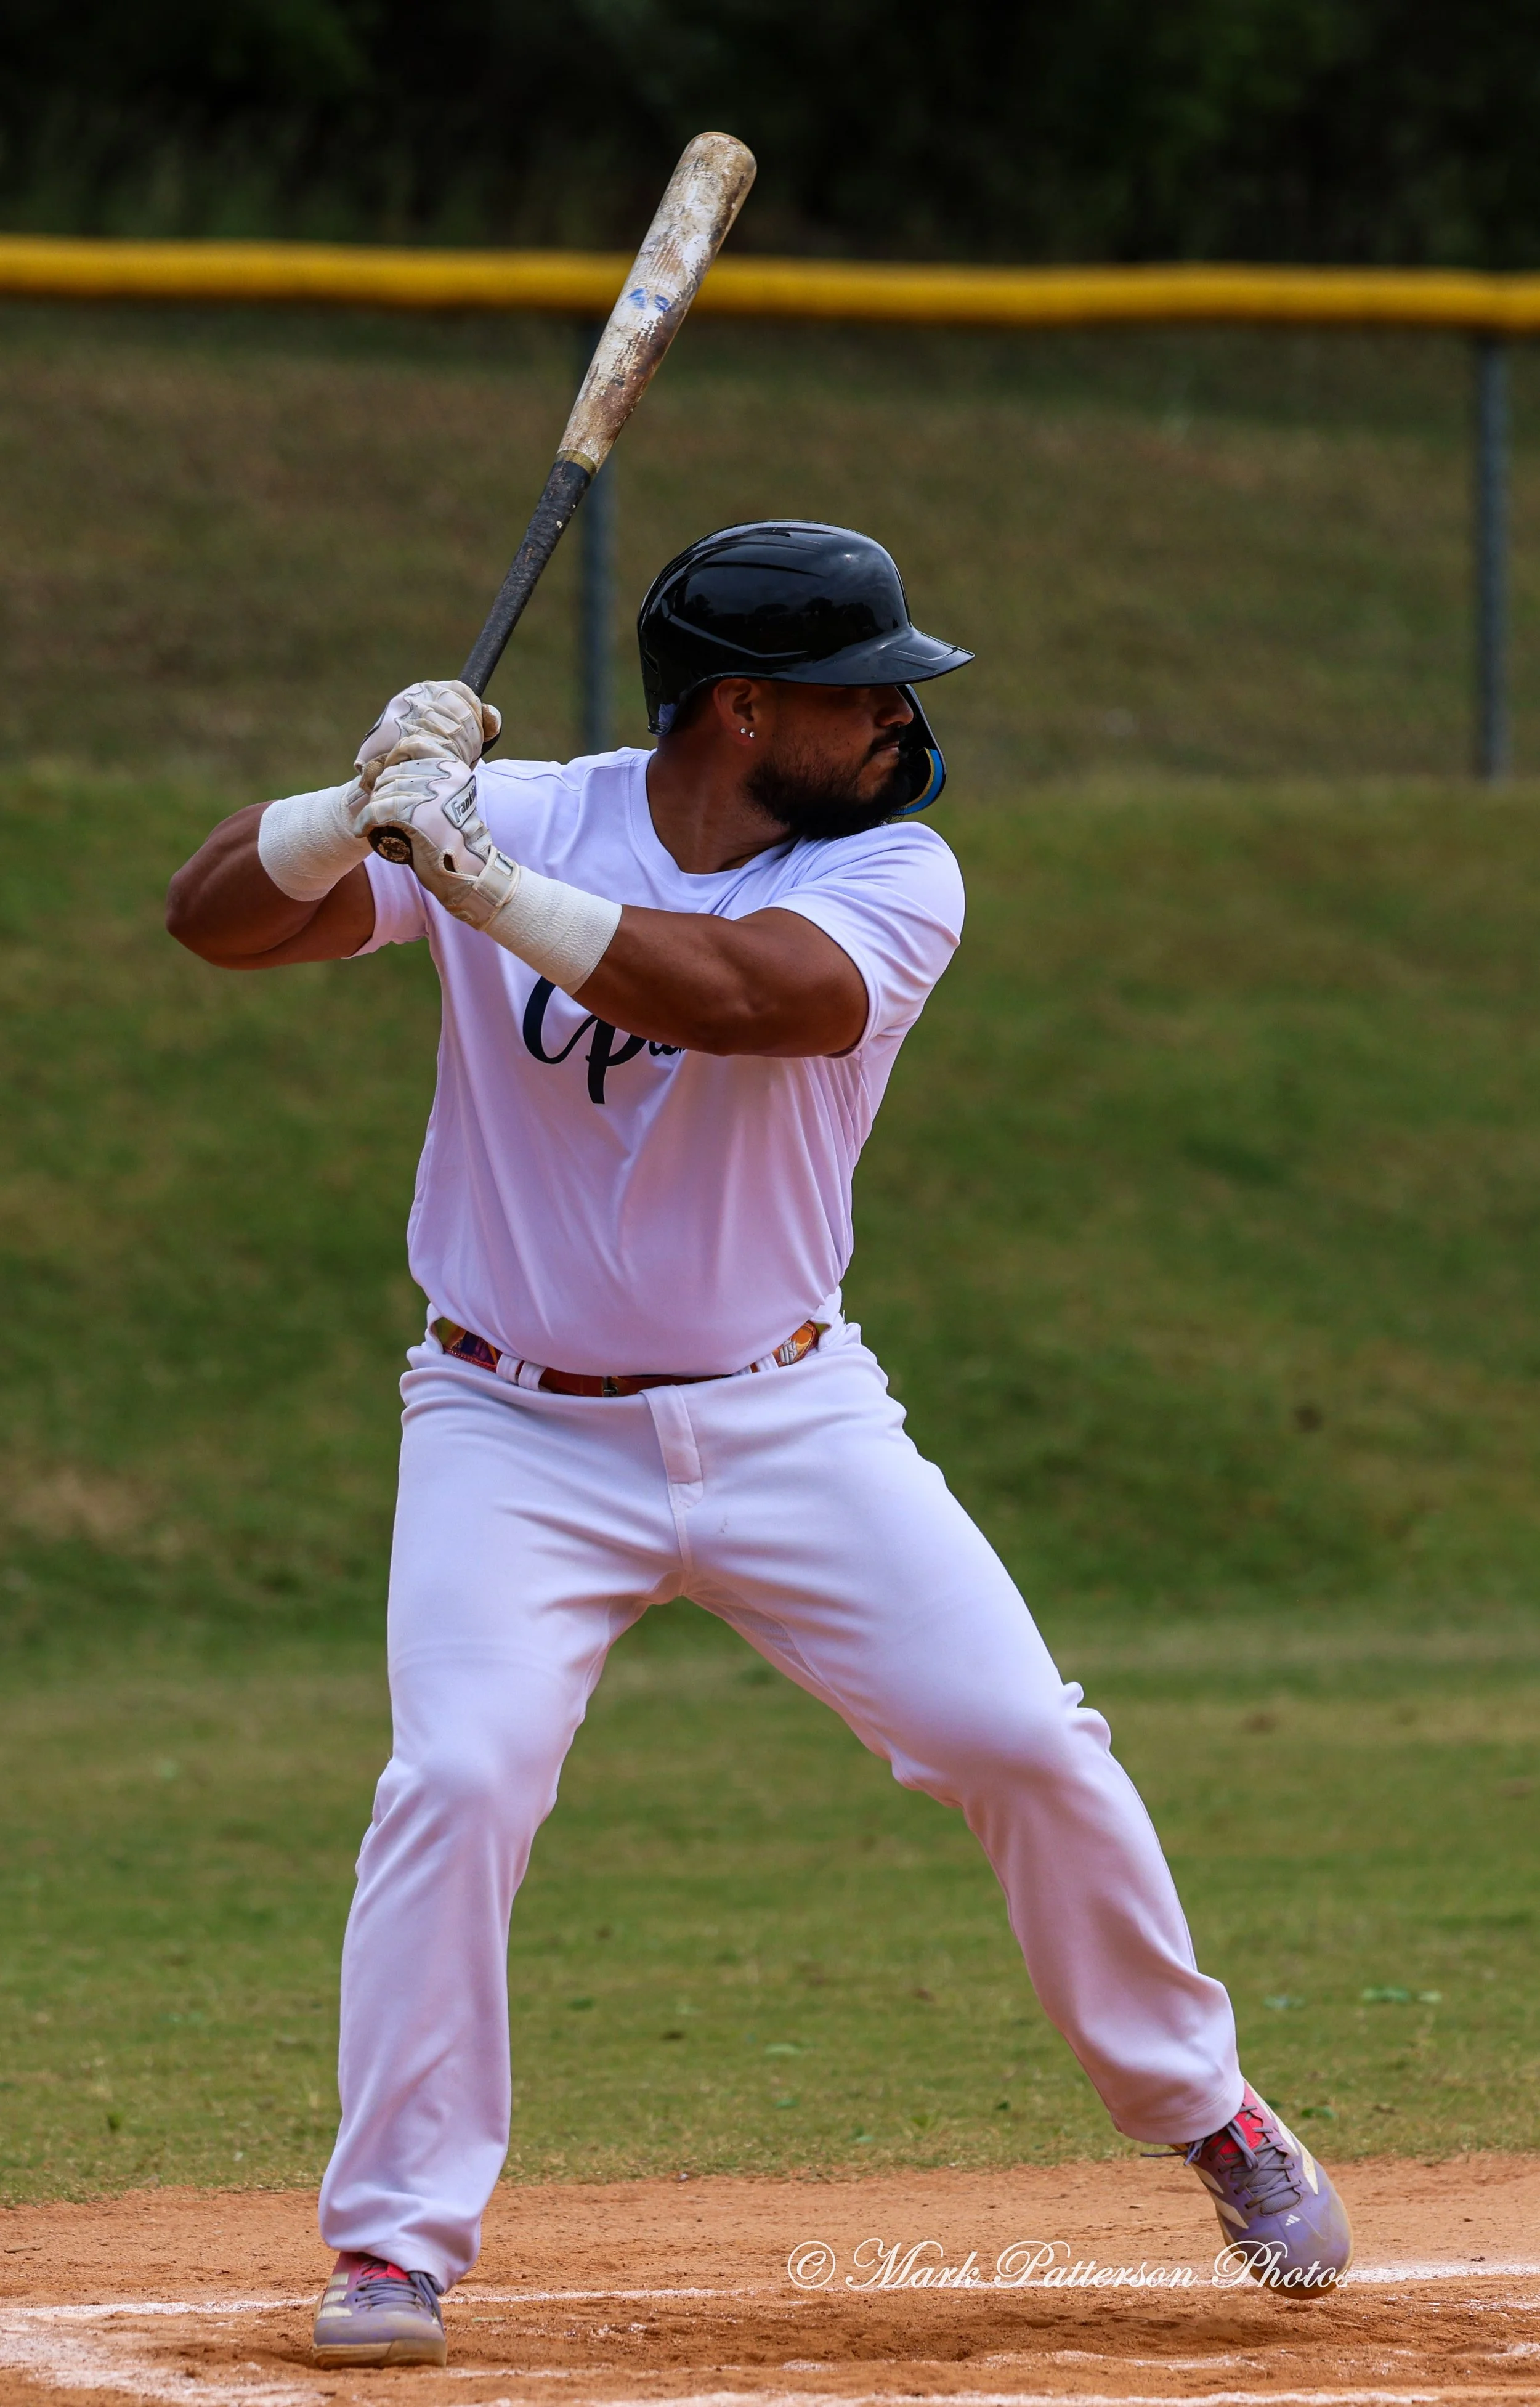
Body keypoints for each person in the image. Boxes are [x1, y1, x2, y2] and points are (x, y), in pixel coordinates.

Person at [166, 521, 1352, 2368]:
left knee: (1017, 1740)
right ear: (740, 708)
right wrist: (343, 812)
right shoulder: (536, 814)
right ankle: (394, 2246)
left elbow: (745, 1001)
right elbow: (215, 922)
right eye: (862, 690)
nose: (896, 718)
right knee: (456, 1782)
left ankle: (1210, 2111)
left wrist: (471, 879)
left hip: (785, 1407)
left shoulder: (893, 870)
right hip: (508, 1423)